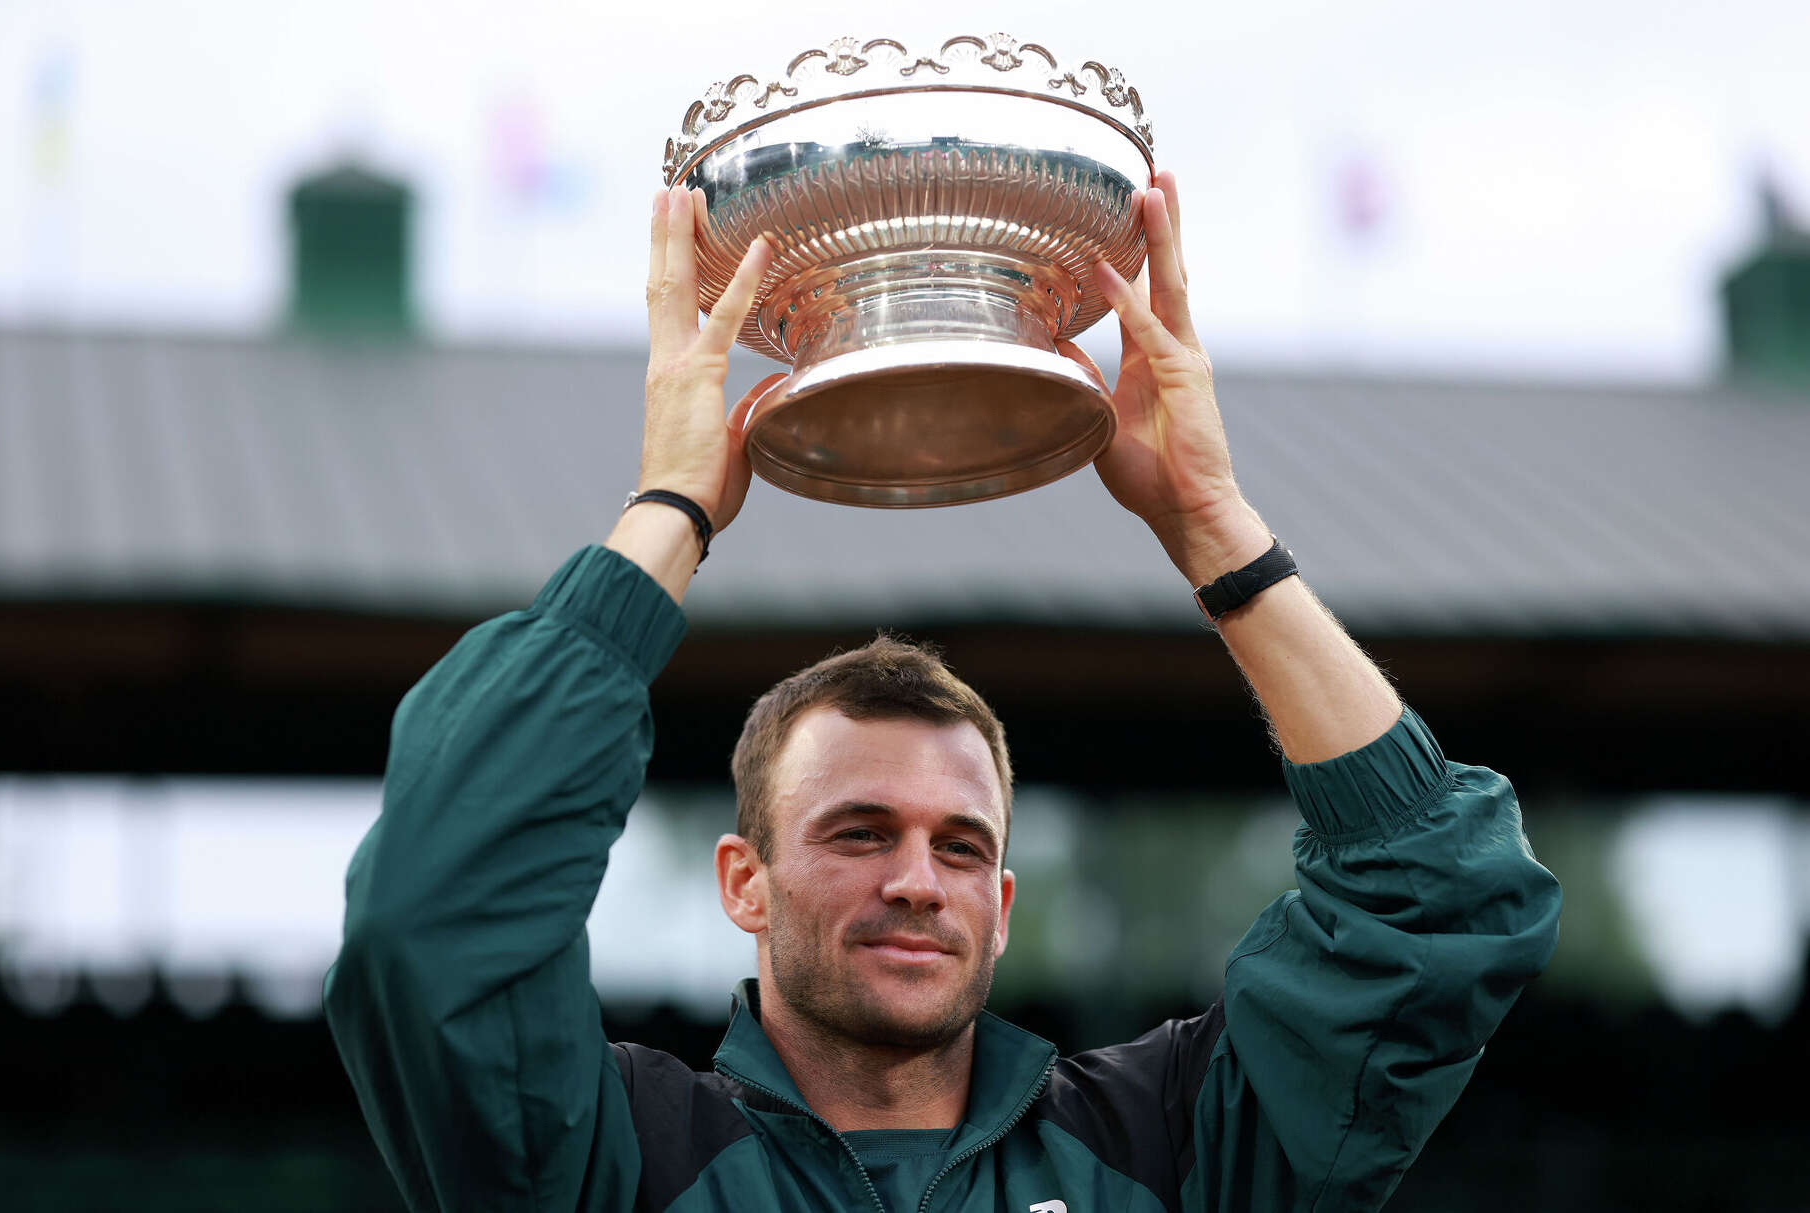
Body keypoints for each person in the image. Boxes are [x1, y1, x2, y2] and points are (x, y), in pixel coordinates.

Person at [324, 171, 1562, 1212]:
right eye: (858, 832)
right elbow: (432, 914)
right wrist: (667, 512)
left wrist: (1212, 531)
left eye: (960, 846)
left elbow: (1438, 888)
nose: (917, 878)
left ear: (1005, 901)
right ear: (741, 881)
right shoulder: (606, 1159)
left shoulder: (1167, 1150)